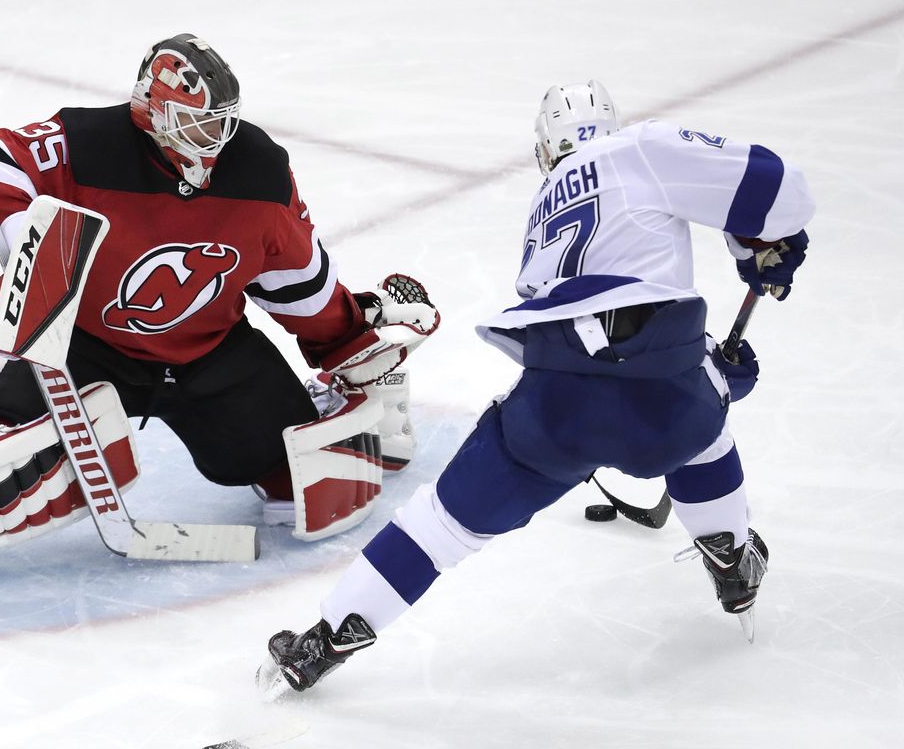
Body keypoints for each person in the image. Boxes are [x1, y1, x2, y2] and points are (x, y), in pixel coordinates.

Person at [0, 33, 438, 602]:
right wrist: (24, 241)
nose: (218, 137)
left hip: (211, 354)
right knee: (32, 467)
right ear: (153, 109)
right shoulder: (87, 143)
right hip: (85, 349)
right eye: (201, 122)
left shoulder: (259, 174)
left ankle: (356, 375)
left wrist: (350, 344)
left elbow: (299, 284)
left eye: (223, 121)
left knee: (304, 480)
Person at [257, 80, 813, 696]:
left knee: (440, 525)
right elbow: (780, 191)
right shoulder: (640, 148)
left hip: (553, 414)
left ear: (547, 150)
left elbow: (590, 341)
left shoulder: (542, 211)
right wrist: (755, 249)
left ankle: (326, 639)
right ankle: (732, 556)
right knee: (701, 427)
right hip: (666, 402)